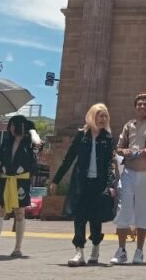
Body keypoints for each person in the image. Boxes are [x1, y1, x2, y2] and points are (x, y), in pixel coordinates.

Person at [49, 103, 118, 266]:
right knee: (79, 217)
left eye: (105, 116)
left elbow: (110, 164)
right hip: (81, 182)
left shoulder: (107, 138)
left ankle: (95, 247)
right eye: (100, 115)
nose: (103, 119)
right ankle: (79, 251)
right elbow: (69, 159)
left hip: (99, 184)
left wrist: (110, 185)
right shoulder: (82, 135)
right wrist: (56, 180)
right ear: (92, 116)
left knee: (96, 218)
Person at [0, 115, 42, 259]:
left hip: (21, 181)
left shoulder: (28, 142)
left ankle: (17, 248)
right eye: (10, 125)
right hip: (6, 180)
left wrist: (31, 130)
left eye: (14, 125)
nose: (11, 128)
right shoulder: (6, 143)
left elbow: (38, 143)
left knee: (19, 213)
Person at [112, 93, 146, 265]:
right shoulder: (128, 126)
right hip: (129, 171)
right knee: (123, 208)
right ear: (135, 107)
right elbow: (118, 148)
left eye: (145, 105)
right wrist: (123, 151)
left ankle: (139, 251)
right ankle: (121, 250)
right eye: (139, 104)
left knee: (145, 211)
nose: (142, 107)